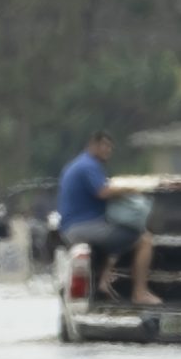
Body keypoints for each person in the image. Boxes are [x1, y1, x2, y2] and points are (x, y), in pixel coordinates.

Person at [56, 130, 159, 305]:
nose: (108, 151)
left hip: (73, 227)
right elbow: (102, 192)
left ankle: (103, 282)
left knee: (119, 237)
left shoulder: (78, 164)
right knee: (144, 239)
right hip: (83, 228)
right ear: (94, 145)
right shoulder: (89, 165)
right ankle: (139, 293)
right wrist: (131, 189)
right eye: (105, 146)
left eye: (110, 147)